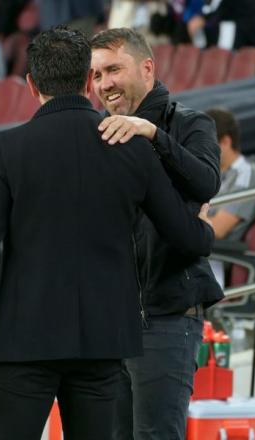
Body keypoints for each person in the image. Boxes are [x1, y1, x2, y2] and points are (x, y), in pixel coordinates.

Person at [0, 26, 216, 440]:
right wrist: (205, 230)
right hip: (103, 345)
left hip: (24, 341)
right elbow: (189, 238)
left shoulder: (6, 149)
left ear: (31, 84)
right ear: (89, 81)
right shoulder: (130, 145)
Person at [90, 28, 223, 440]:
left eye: (113, 69)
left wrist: (153, 136)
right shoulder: (98, 133)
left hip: (165, 316)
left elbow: (206, 183)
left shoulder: (189, 123)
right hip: (109, 320)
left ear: (147, 67)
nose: (104, 83)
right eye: (95, 75)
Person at [204, 108, 255, 288]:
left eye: (206, 143)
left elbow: (220, 228)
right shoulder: (213, 171)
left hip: (216, 255)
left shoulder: (246, 175)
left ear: (225, 142)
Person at [184, 0, 255, 50]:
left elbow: (224, 10)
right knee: (196, 27)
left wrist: (203, 20)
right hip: (227, 27)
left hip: (245, 33)